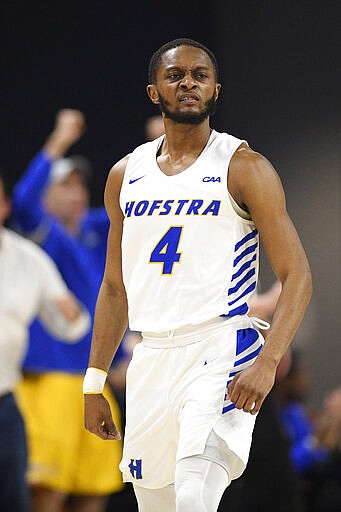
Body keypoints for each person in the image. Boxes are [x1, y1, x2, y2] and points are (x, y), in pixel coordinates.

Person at [83, 38, 313, 512]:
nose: (187, 83)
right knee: (158, 505)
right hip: (151, 356)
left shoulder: (243, 167)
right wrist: (94, 381)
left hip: (220, 347)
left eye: (199, 75)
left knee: (193, 496)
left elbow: (298, 276)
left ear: (215, 89)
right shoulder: (124, 174)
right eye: (175, 75)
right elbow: (114, 286)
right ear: (154, 91)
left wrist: (267, 362)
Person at [11, 110, 123, 512]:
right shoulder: (42, 234)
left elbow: (136, 212)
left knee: (95, 487)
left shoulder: (94, 231)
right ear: (46, 194)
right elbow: (21, 200)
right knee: (50, 490)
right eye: (64, 184)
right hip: (50, 380)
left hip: (94, 378)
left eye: (80, 184)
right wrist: (59, 139)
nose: (76, 192)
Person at [0, 174, 90, 512]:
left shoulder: (29, 259)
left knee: (15, 498)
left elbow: (70, 325)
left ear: (5, 207)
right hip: (31, 383)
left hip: (5, 403)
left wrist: (73, 314)